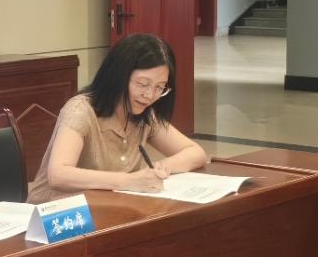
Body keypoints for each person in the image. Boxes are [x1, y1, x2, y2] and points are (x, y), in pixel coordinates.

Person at [33, 37, 210, 198]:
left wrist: (162, 167)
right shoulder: (81, 110)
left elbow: (196, 153)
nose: (149, 95)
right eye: (142, 84)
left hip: (111, 208)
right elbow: (58, 175)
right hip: (61, 213)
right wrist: (129, 181)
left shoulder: (145, 115)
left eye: (160, 87)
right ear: (118, 76)